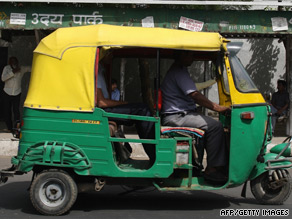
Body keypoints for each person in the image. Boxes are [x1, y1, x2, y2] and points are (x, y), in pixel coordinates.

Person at [161, 50, 230, 183]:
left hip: (180, 114)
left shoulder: (180, 70)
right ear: (180, 55)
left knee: (207, 125)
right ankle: (213, 168)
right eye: (188, 54)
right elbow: (195, 95)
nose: (191, 57)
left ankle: (198, 165)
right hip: (176, 117)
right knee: (215, 126)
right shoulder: (179, 72)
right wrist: (218, 108)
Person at [96, 51, 155, 164]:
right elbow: (101, 103)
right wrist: (123, 103)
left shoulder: (100, 71)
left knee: (142, 109)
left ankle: (152, 153)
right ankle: (154, 156)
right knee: (142, 110)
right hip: (102, 111)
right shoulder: (96, 73)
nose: (111, 56)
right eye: (109, 53)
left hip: (104, 110)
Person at [1, 57, 30, 132]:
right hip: (7, 92)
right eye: (12, 61)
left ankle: (16, 128)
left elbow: (31, 68)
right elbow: (3, 78)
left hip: (17, 93)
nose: (13, 63)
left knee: (16, 111)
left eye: (15, 61)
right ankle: (9, 128)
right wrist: (13, 72)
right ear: (9, 62)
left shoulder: (21, 68)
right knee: (7, 111)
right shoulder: (6, 68)